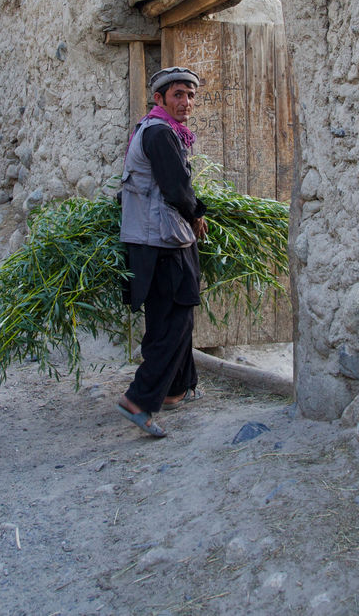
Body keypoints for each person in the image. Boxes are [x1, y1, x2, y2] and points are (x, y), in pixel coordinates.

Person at [115, 66, 209, 438]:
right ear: (159, 99)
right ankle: (138, 400)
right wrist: (198, 214)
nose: (186, 102)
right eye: (178, 95)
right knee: (176, 320)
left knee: (166, 317)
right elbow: (176, 188)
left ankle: (176, 389)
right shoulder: (159, 133)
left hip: (149, 240)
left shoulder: (153, 129)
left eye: (190, 95)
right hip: (164, 240)